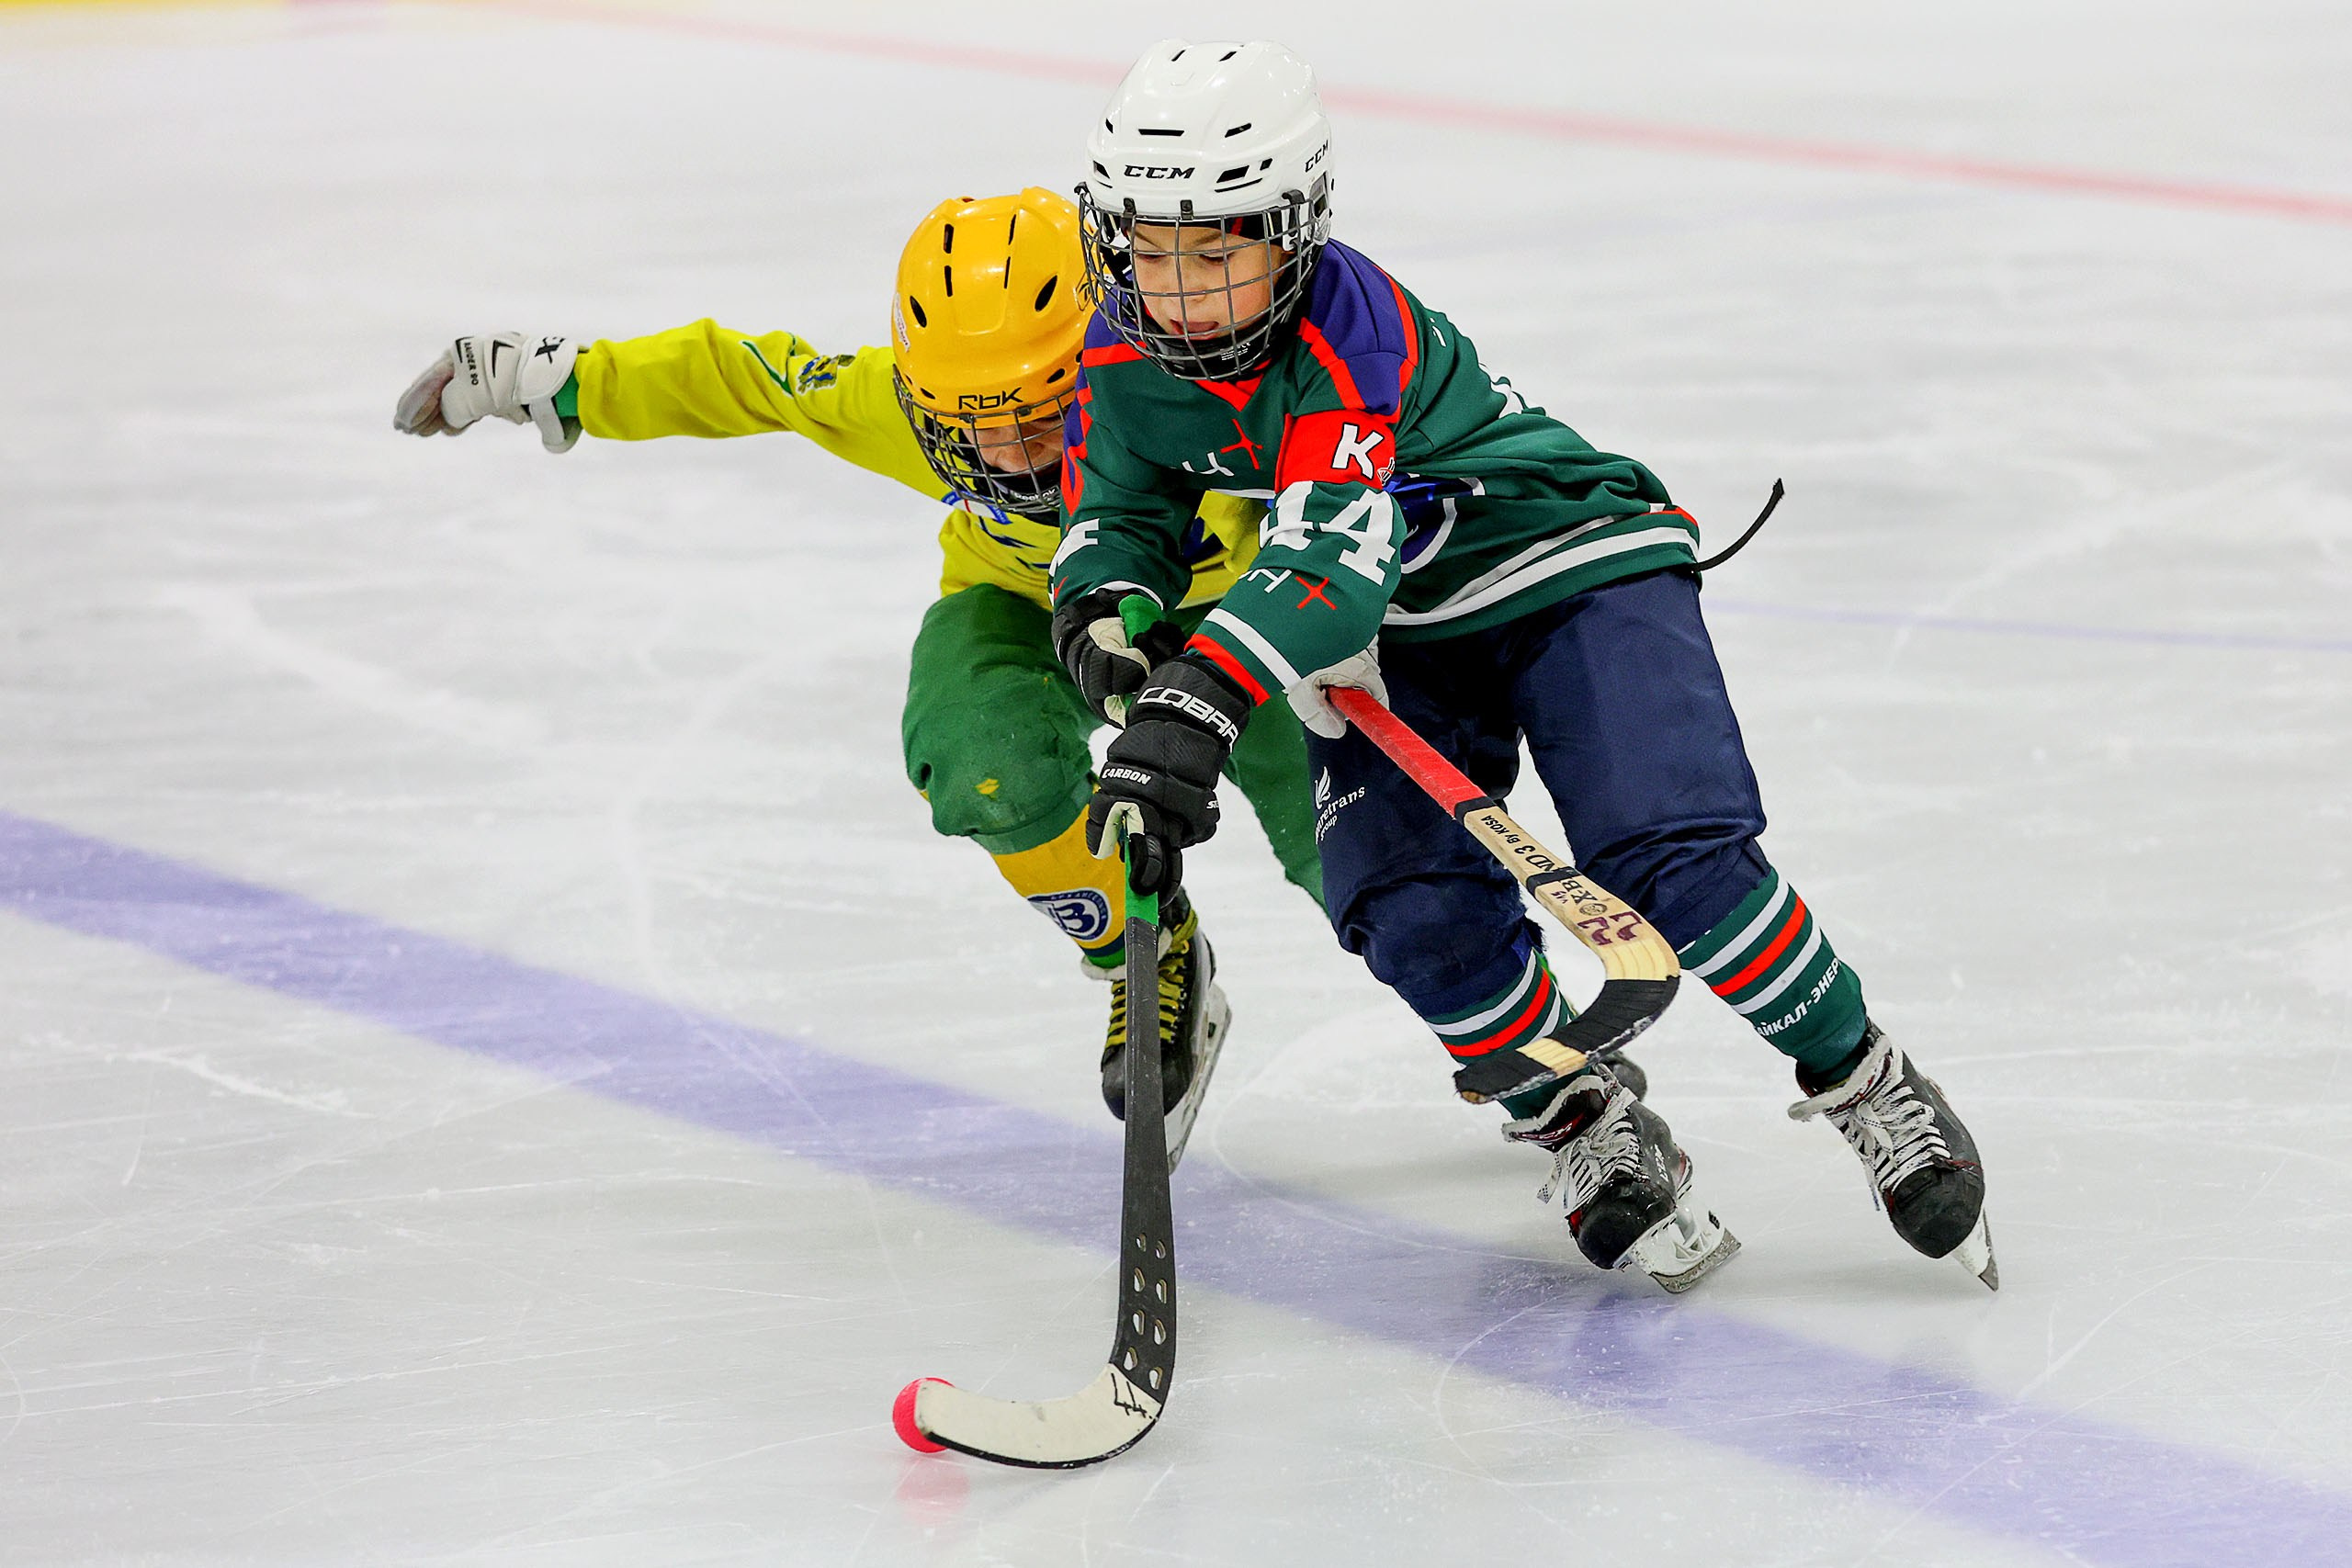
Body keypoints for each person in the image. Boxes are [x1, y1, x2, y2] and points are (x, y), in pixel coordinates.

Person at [1048, 39, 1995, 1292]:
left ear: (1293, 230)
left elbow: (1329, 558)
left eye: (1216, 252)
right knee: (1409, 909)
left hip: (1567, 562)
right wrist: (1106, 620)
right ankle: (1580, 1118)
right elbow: (1119, 511)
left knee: (1673, 861)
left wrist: (1202, 695)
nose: (1179, 291)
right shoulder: (1116, 351)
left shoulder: (1349, 328)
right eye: (1152, 249)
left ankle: (1863, 1074)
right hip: (1398, 633)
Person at [390, 188, 1326, 1165]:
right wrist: (568, 380)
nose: (1008, 459)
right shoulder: (899, 410)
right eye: (970, 427)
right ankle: (1151, 949)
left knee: (1349, 845)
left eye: (1042, 419)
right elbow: (750, 378)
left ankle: (1453, 986)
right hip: (1026, 605)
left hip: (1239, 618)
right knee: (983, 758)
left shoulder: (1205, 389)